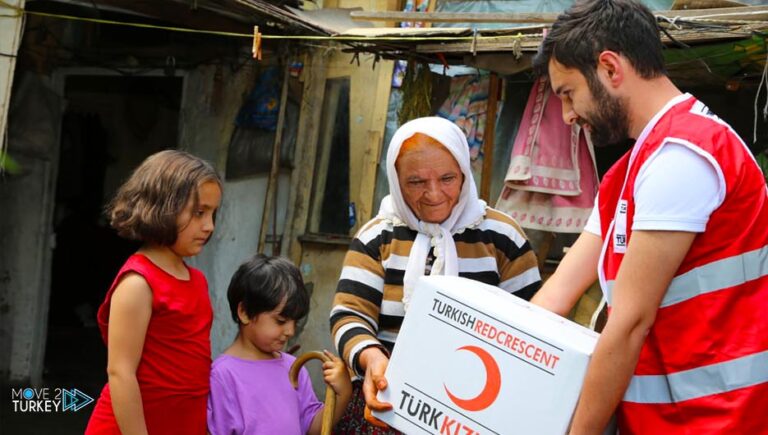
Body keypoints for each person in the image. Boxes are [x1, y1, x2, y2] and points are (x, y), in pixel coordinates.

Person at [530, 0, 768, 433]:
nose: (566, 116)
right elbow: (555, 298)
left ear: (609, 69)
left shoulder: (685, 156)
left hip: (716, 419)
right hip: (662, 419)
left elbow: (630, 323)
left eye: (568, 93)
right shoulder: (629, 171)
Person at [330, 116, 542, 433]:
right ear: (396, 180)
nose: (433, 194)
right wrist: (372, 358)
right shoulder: (378, 237)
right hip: (388, 404)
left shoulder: (501, 238)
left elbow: (532, 324)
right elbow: (349, 314)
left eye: (447, 178)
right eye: (416, 182)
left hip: (477, 412)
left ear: (464, 175)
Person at [85, 150, 222, 434]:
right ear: (163, 207)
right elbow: (120, 373)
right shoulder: (138, 282)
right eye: (199, 213)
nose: (209, 226)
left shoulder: (197, 280)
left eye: (212, 214)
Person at [207, 254, 352, 435]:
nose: (290, 331)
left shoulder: (294, 367)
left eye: (294, 321)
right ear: (244, 312)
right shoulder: (222, 375)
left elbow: (313, 427)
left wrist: (343, 392)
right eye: (281, 320)